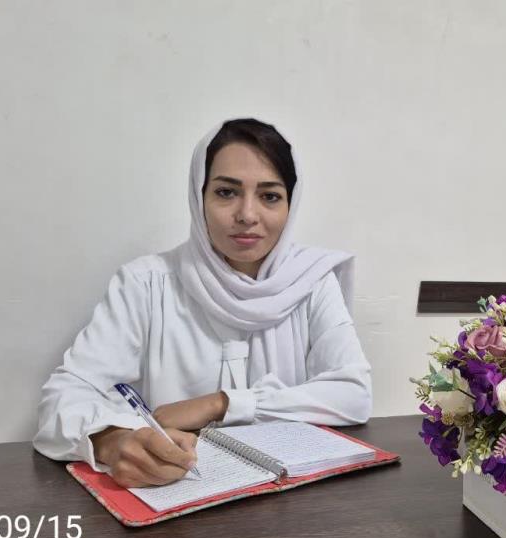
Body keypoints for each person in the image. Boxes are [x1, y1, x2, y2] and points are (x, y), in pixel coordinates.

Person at [32, 118, 372, 488]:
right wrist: (112, 441)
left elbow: (353, 394)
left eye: (270, 196)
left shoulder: (313, 280)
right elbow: (62, 399)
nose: (247, 215)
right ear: (199, 197)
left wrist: (222, 404)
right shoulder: (146, 283)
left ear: (291, 204)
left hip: (289, 503)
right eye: (226, 192)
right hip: (178, 496)